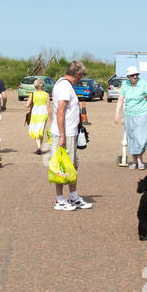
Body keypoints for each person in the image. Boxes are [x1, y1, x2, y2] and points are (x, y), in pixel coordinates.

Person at [46, 60, 92, 210]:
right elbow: (60, 112)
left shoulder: (62, 83)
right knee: (61, 166)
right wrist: (63, 136)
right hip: (64, 133)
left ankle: (73, 197)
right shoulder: (65, 87)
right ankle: (59, 199)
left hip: (69, 132)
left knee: (72, 165)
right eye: (82, 74)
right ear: (78, 74)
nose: (82, 77)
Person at [114, 66, 147, 170]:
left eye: (136, 74)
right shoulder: (125, 84)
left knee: (141, 138)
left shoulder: (143, 84)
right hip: (129, 113)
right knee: (131, 138)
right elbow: (120, 99)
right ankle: (135, 160)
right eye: (132, 75)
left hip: (143, 113)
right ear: (128, 76)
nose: (135, 76)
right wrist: (117, 114)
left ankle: (140, 159)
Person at [26, 77, 50, 153]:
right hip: (44, 113)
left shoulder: (32, 94)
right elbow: (48, 106)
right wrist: (51, 117)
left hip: (35, 113)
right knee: (41, 130)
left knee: (36, 130)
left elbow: (27, 105)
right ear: (42, 86)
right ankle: (39, 147)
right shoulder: (46, 94)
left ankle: (39, 147)